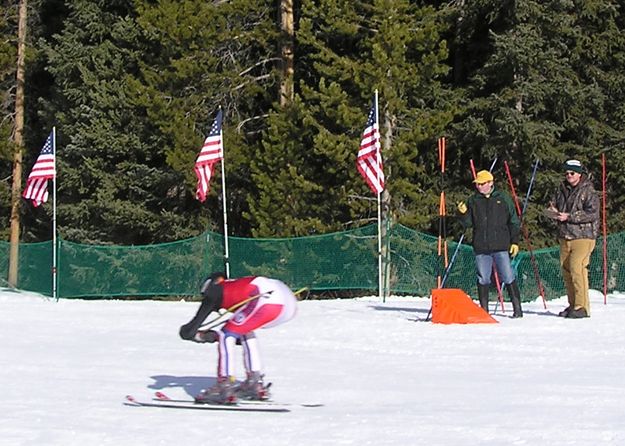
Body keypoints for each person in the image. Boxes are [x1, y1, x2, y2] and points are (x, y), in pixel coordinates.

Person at [179, 272, 298, 403]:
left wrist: (190, 333)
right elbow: (237, 338)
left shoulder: (214, 290)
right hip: (287, 303)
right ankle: (254, 382)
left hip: (267, 297)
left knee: (226, 333)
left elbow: (191, 328)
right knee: (242, 329)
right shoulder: (235, 286)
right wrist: (209, 337)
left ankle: (223, 385)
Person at [457, 170, 523, 317]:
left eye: (482, 184)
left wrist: (515, 241)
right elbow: (468, 223)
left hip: (500, 245)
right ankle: (484, 311)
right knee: (483, 278)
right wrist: (462, 213)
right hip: (481, 246)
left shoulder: (503, 198)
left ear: (490, 183)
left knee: (508, 275)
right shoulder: (473, 200)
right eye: (478, 184)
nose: (479, 187)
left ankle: (517, 309)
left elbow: (513, 221)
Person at [547, 159, 599, 319]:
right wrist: (552, 211)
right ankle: (572, 304)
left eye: (572, 173)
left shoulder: (588, 190)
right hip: (565, 235)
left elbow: (592, 213)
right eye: (567, 172)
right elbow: (553, 204)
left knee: (577, 268)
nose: (569, 175)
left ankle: (582, 306)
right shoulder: (561, 189)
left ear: (579, 174)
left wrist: (569, 217)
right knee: (567, 270)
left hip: (583, 236)